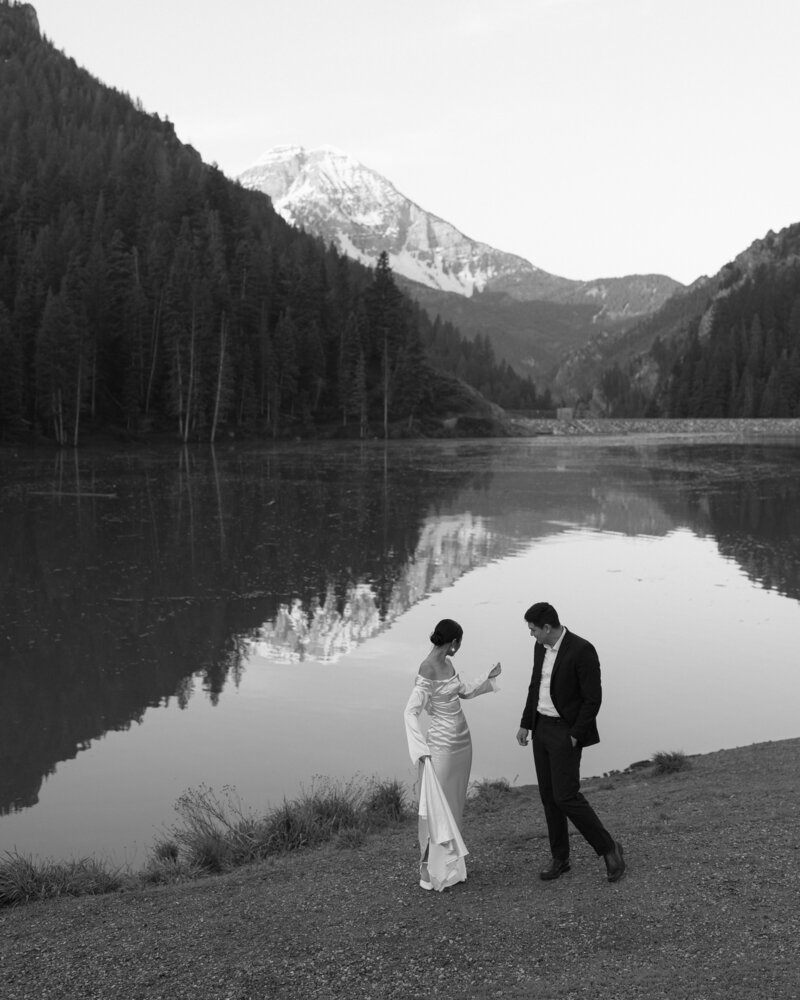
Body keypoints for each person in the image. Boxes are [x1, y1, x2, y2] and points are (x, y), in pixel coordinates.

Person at [515, 602, 626, 883]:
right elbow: (535, 685)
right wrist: (526, 723)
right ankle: (560, 858)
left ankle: (609, 849)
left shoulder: (582, 650)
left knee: (567, 797)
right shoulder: (540, 648)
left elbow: (593, 699)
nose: (531, 635)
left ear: (548, 628)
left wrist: (575, 733)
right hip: (541, 729)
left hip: (566, 732)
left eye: (533, 630)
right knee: (549, 797)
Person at [404, 618, 501, 891]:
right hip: (442, 746)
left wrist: (488, 677)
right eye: (460, 642)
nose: (459, 646)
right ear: (454, 641)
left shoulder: (448, 664)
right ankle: (429, 871)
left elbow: (463, 692)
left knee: (455, 805)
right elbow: (411, 710)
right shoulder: (427, 668)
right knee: (438, 806)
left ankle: (451, 868)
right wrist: (420, 748)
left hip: (463, 742)